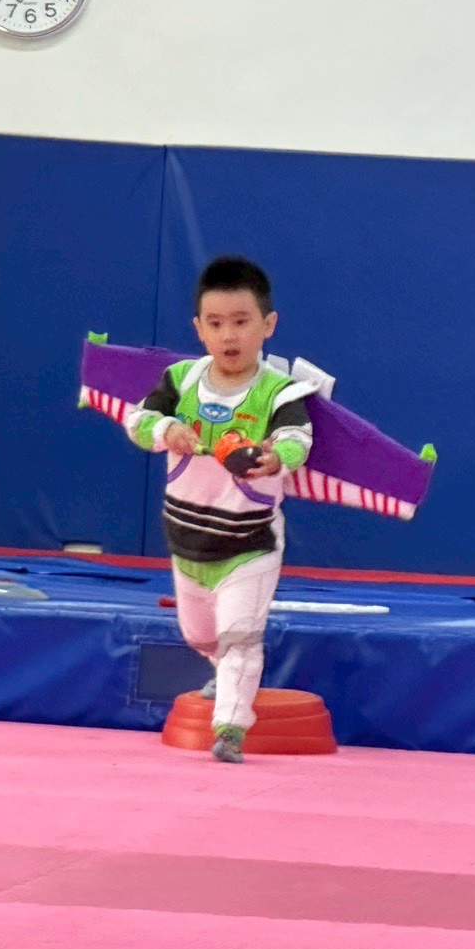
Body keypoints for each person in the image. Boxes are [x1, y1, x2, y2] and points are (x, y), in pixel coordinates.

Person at [125, 256, 314, 763]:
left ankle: (230, 727)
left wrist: (277, 457)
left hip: (249, 544)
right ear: (199, 329)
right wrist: (166, 429)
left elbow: (298, 438)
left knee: (240, 635)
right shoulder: (179, 380)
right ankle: (220, 671)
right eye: (216, 323)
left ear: (267, 325)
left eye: (241, 321)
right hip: (186, 542)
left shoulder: (281, 391)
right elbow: (136, 420)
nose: (229, 335)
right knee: (201, 635)